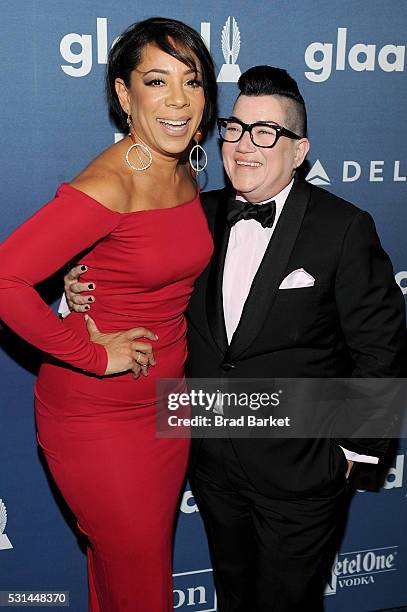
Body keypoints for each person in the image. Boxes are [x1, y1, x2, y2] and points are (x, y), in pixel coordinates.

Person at [64, 66, 406, 611]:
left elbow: (381, 348)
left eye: (267, 132)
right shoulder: (194, 216)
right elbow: (129, 269)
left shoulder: (343, 227)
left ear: (299, 151)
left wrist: (353, 455)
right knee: (233, 597)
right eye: (236, 128)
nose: (246, 145)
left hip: (302, 469)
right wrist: (74, 286)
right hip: (212, 463)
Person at [0, 17, 216, 612]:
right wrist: (93, 352)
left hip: (168, 405)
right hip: (100, 417)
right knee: (143, 586)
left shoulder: (181, 167)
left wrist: (77, 275)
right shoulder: (110, 183)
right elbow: (5, 280)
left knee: (123, 576)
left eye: (192, 82)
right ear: (125, 95)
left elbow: (143, 262)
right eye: (156, 81)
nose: (178, 100)